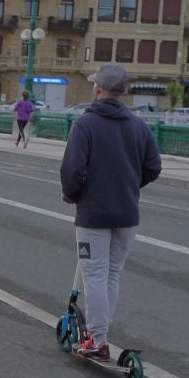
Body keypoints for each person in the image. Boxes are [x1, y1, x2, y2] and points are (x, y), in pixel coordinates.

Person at [59, 64, 161, 361]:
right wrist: (130, 184)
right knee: (112, 274)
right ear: (125, 92)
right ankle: (100, 333)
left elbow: (72, 170)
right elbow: (153, 167)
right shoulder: (139, 125)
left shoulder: (86, 124)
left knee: (93, 274)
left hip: (94, 214)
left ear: (97, 89)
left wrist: (72, 195)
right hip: (127, 213)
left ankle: (98, 340)